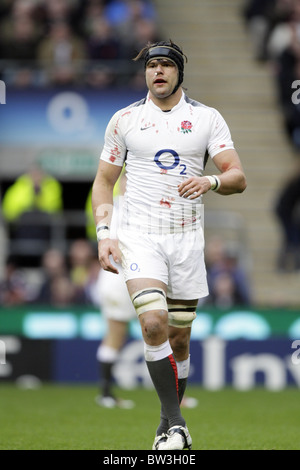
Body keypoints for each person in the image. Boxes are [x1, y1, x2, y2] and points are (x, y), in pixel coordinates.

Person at [91, 40, 247, 450]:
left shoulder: (206, 118)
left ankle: (168, 425)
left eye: (165, 65)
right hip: (139, 235)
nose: (157, 71)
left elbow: (237, 176)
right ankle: (175, 424)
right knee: (152, 324)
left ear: (179, 72)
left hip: (186, 239)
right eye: (151, 65)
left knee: (178, 339)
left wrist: (210, 180)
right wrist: (105, 235)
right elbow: (104, 182)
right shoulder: (124, 120)